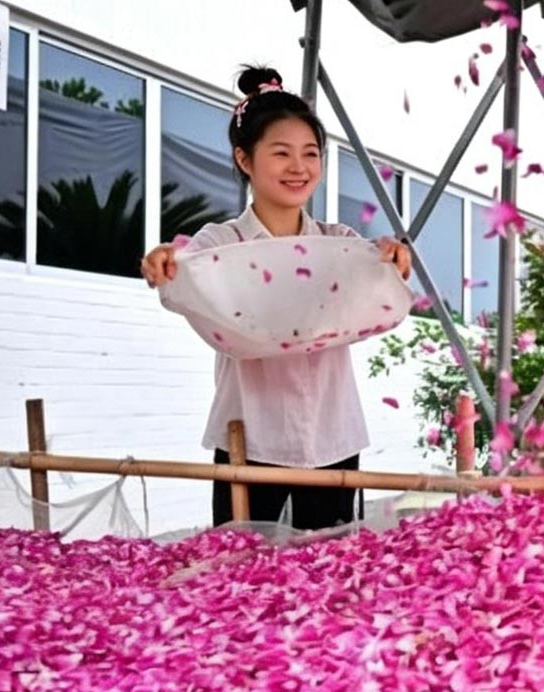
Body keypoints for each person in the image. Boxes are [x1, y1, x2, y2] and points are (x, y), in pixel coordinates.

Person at [140, 66, 411, 530]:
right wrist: (162, 262)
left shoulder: (340, 242)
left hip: (332, 435)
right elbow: (177, 273)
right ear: (245, 160)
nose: (299, 167)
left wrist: (391, 259)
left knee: (329, 574)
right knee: (240, 572)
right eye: (281, 153)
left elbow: (380, 279)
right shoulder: (220, 242)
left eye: (311, 154)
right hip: (249, 434)